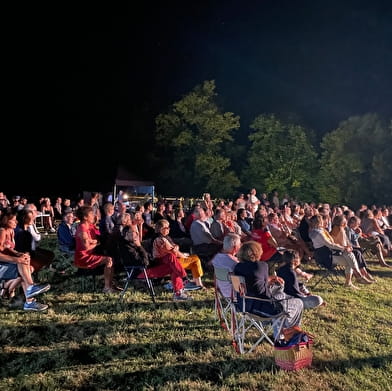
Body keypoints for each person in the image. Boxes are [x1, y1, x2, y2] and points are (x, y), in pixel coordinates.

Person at [233, 240, 304, 338]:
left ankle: (282, 331)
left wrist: (269, 280)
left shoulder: (237, 267)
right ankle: (289, 333)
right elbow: (261, 282)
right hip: (264, 309)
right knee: (298, 303)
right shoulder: (261, 265)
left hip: (244, 306)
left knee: (278, 294)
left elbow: (254, 281)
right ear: (257, 253)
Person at [308, 215, 372, 289]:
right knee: (349, 257)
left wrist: (345, 248)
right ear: (320, 221)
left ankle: (355, 279)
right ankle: (356, 278)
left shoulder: (320, 231)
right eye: (324, 220)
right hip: (325, 257)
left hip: (329, 253)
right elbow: (330, 245)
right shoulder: (318, 233)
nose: (327, 221)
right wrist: (344, 248)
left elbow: (333, 244)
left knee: (349, 256)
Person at [74, 205, 116, 294]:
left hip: (91, 253)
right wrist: (96, 243)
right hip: (84, 257)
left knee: (112, 256)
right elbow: (86, 247)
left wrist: (95, 240)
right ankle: (107, 287)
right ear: (85, 217)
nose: (94, 215)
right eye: (91, 214)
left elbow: (98, 235)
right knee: (109, 260)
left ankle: (110, 284)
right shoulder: (82, 229)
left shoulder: (90, 225)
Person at [153, 219, 205, 290]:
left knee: (194, 258)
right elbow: (174, 252)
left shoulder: (166, 238)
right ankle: (196, 283)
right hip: (167, 263)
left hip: (172, 260)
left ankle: (197, 283)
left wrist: (176, 248)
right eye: (167, 228)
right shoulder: (161, 240)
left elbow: (175, 246)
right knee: (195, 260)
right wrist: (184, 256)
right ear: (161, 229)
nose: (169, 229)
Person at [211, 233, 241, 298]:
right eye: (239, 245)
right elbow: (238, 287)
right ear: (235, 247)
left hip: (222, 291)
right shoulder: (235, 263)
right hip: (235, 295)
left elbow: (215, 276)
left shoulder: (216, 258)